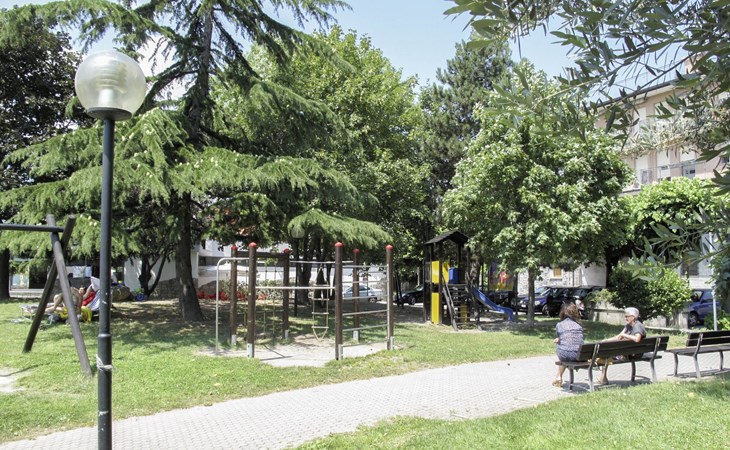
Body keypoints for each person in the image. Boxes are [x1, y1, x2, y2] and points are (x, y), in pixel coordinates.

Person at [600, 307, 646, 383]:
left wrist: (625, 335)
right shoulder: (629, 325)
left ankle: (603, 378)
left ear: (633, 317)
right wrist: (607, 340)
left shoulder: (637, 326)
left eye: (627, 316)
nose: (625, 318)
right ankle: (602, 377)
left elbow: (637, 338)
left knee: (606, 355)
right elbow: (619, 336)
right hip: (629, 352)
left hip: (634, 354)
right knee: (606, 353)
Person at [553, 303, 584, 387]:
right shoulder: (579, 326)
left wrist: (559, 340)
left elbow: (561, 337)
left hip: (564, 355)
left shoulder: (559, 325)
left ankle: (558, 377)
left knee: (564, 349)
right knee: (567, 349)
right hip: (579, 356)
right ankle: (558, 377)